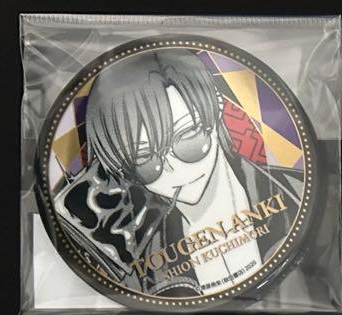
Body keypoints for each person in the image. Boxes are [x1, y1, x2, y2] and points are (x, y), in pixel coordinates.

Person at [52, 48, 303, 297]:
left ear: (216, 107)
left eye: (188, 138)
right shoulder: (137, 274)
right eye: (145, 159)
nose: (175, 169)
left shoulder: (297, 191)